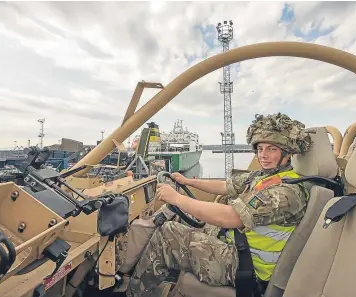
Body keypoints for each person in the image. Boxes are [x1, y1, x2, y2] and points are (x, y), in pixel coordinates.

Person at [126, 113, 312, 297]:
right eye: (260, 148)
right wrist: (189, 182)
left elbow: (231, 216)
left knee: (167, 234)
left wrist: (177, 198)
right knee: (178, 214)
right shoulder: (264, 176)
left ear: (287, 154)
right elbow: (226, 185)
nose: (263, 155)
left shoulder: (286, 192)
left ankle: (135, 293)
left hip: (246, 266)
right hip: (239, 245)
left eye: (271, 149)